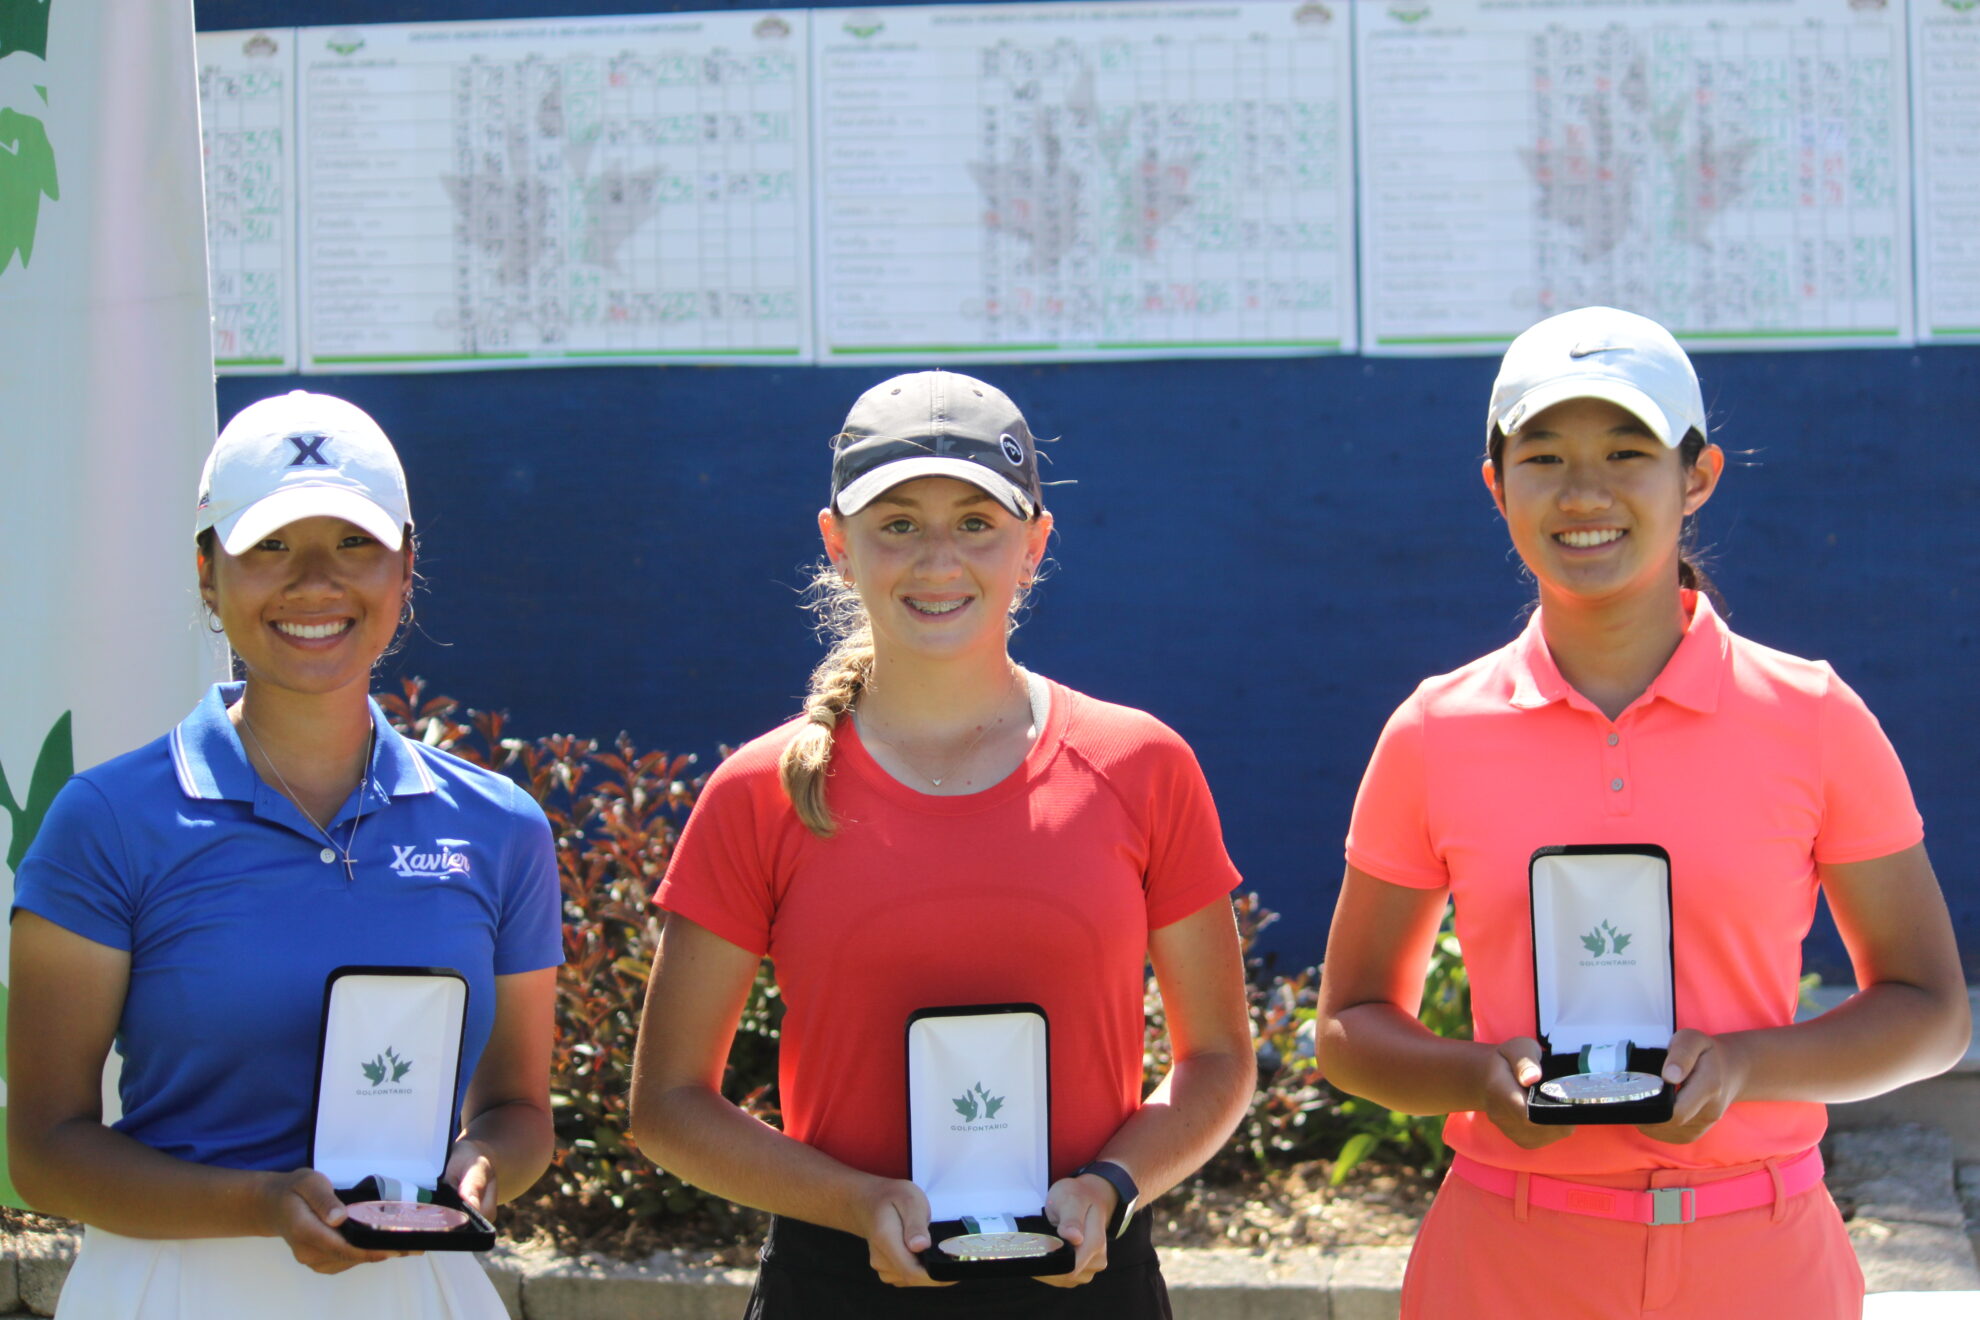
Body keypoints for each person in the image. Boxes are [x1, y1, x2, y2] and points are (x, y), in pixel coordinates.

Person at [1314, 307, 1970, 1319]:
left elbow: (1931, 1012)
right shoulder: (1435, 730)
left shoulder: (1813, 717)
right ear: (1497, 485)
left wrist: (1750, 1065)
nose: (1585, 493)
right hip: (1507, 1260)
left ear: (1696, 475)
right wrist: (1479, 1079)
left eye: (1628, 451)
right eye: (1544, 458)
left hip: (1765, 1261)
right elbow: (1350, 1028)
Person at [628, 370, 1255, 1317]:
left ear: (1033, 546)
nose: (937, 561)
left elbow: (1217, 1060)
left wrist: (1113, 1187)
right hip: (836, 1286)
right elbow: (668, 1103)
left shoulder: (1141, 764)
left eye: (975, 523)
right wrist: (856, 1202)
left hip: (1088, 1278)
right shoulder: (760, 792)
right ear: (837, 543)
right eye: (897, 524)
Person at [8, 391, 562, 1319]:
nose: (314, 583)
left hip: (417, 1289)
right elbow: (45, 1149)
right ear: (205, 571)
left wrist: (483, 1164)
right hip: (168, 1290)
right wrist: (263, 1205)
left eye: (354, 544)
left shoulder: (501, 826)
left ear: (406, 566)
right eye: (269, 545)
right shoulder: (105, 821)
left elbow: (520, 1114)